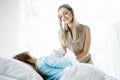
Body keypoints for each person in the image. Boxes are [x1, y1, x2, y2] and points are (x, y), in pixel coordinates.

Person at [13, 51, 107, 80]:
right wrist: (62, 56)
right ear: (29, 59)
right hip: (73, 74)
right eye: (31, 55)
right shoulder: (42, 60)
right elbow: (65, 63)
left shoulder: (39, 75)